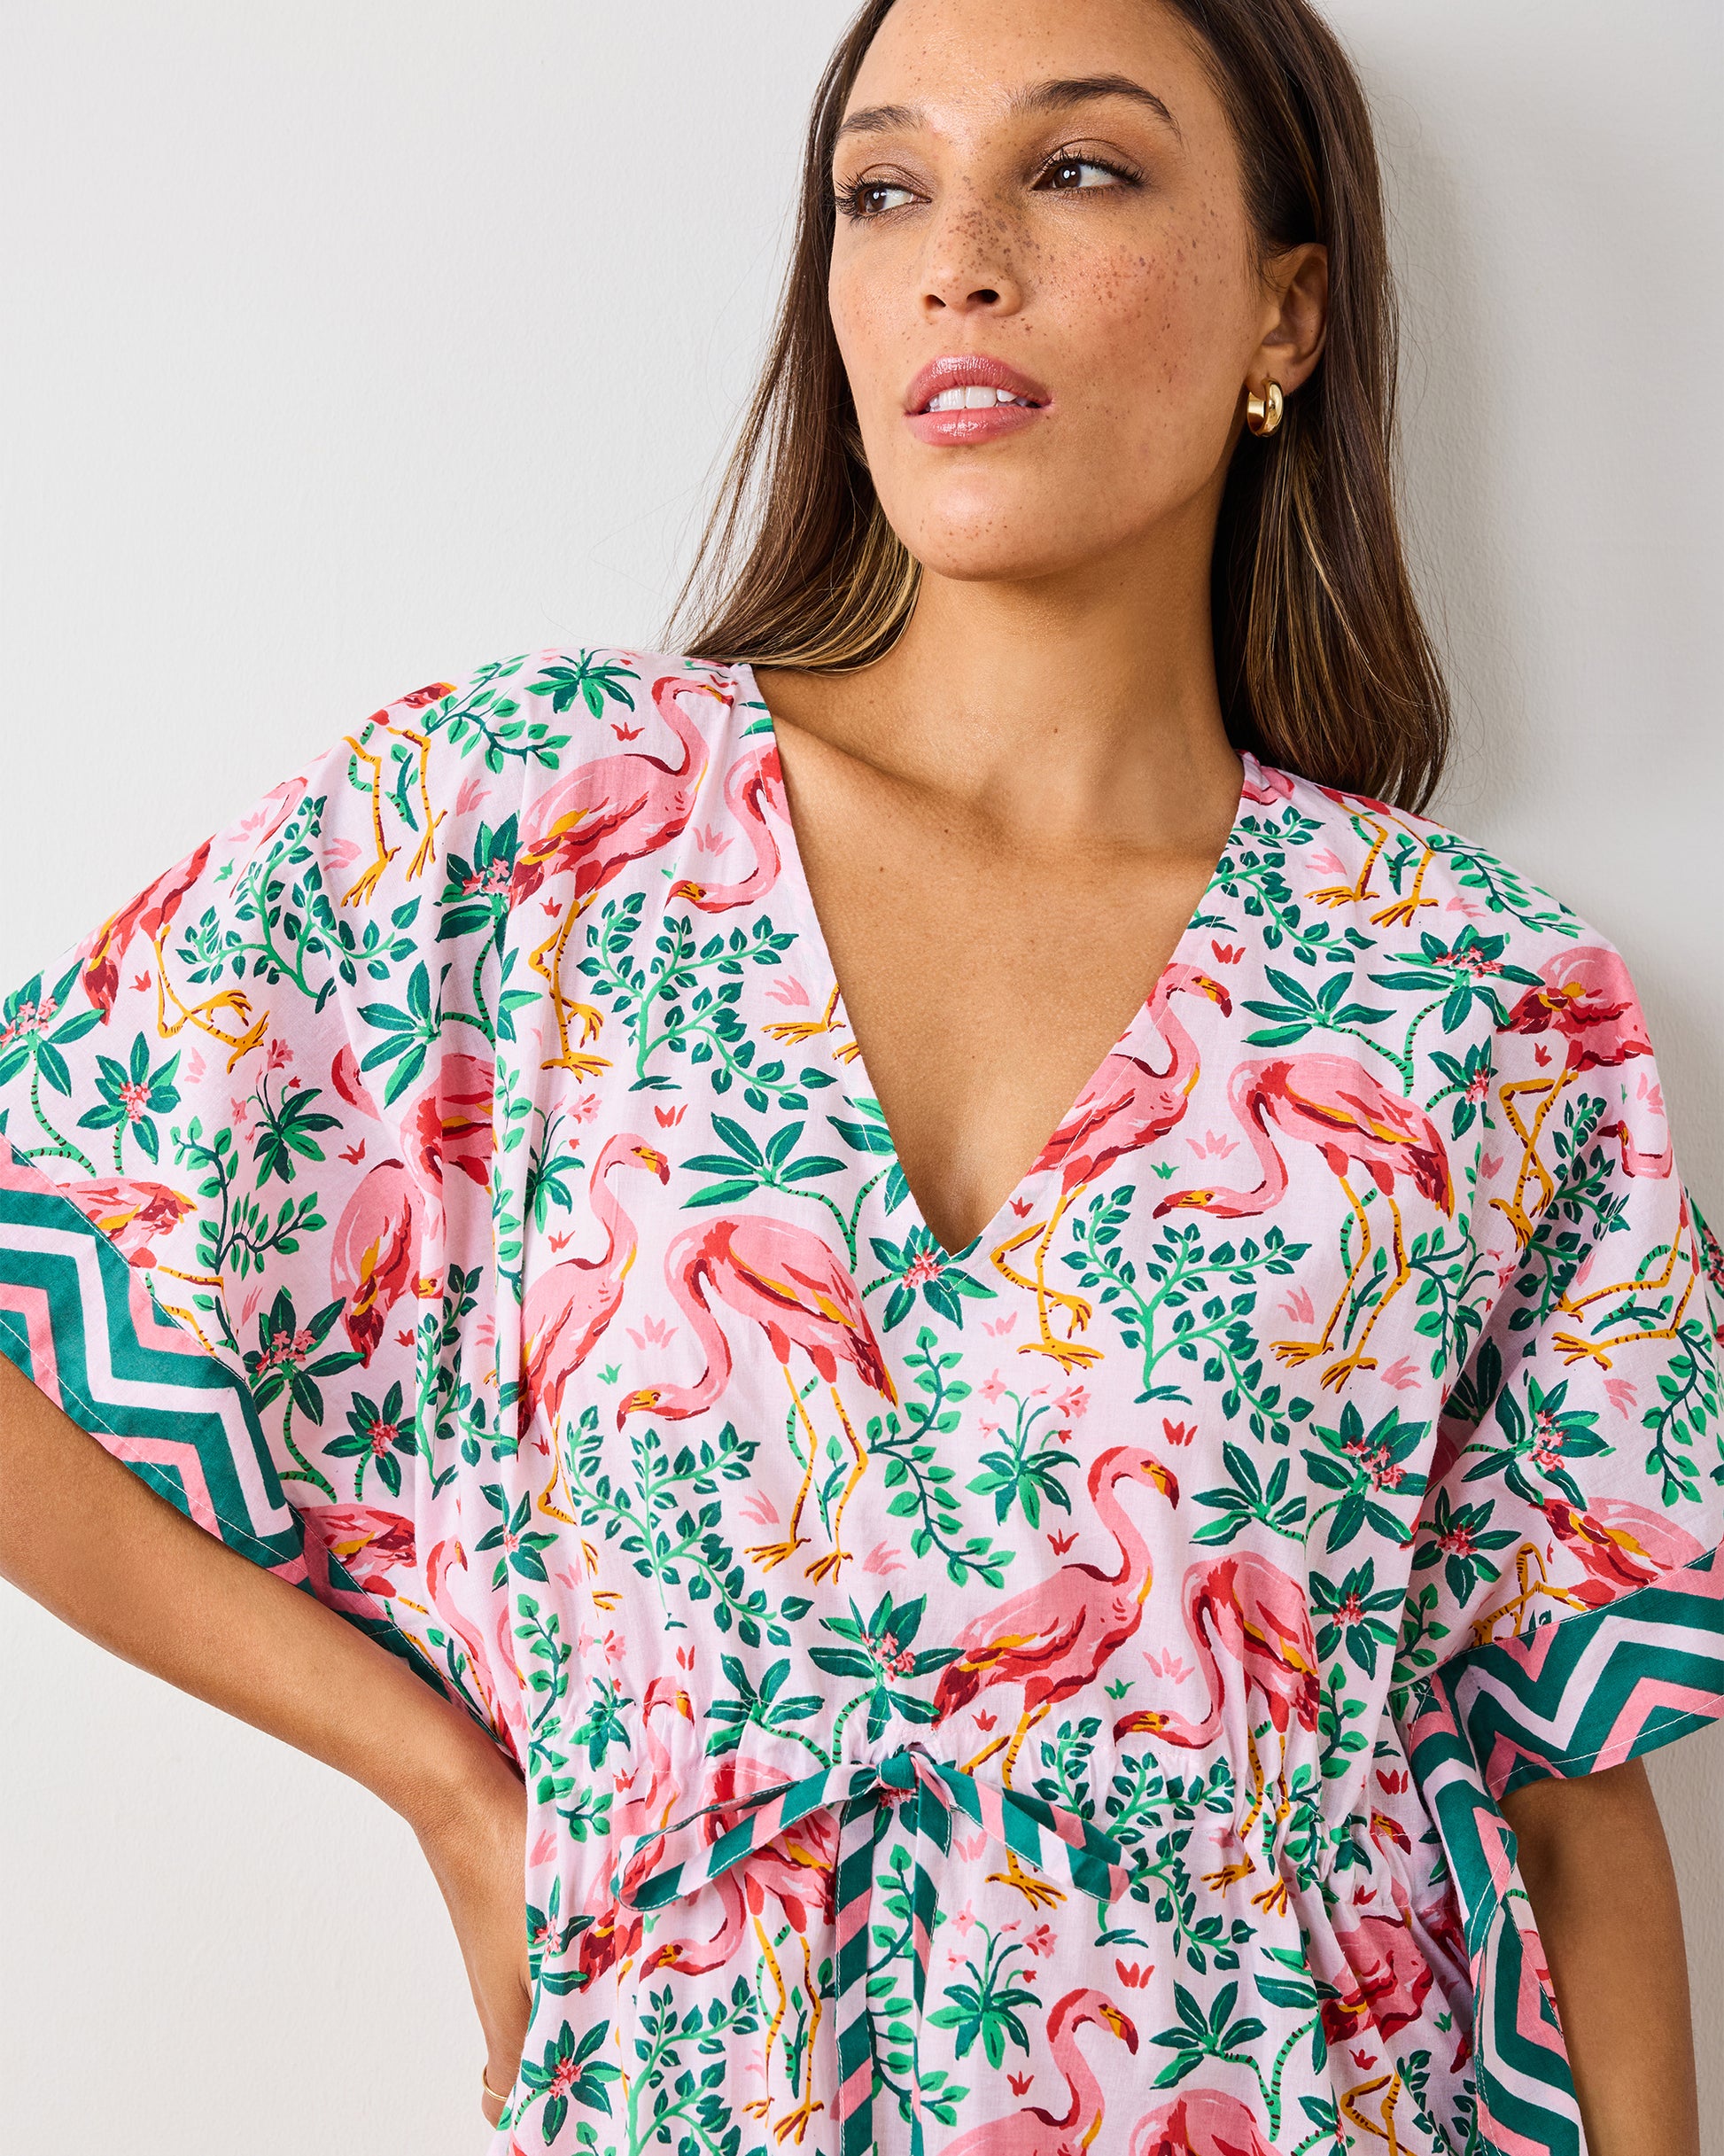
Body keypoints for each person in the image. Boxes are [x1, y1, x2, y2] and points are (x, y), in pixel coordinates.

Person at [1, 0, 1718, 2149]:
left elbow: (1569, 1781)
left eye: (1075, 170)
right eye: (883, 189)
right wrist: (446, 1786)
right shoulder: (535, 831)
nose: (956, 261)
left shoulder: (1477, 1000)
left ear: (1287, 310)